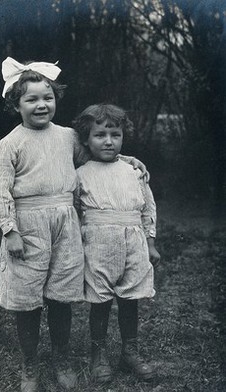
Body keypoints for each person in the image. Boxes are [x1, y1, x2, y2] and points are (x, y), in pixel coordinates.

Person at [0, 58, 148, 391]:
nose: (41, 105)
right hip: (28, 227)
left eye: (47, 97)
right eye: (31, 99)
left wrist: (127, 159)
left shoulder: (66, 137)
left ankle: (62, 360)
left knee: (61, 295)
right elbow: (0, 190)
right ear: (15, 104)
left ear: (55, 100)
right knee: (27, 299)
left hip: (66, 224)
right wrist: (10, 230)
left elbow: (98, 154)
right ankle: (30, 366)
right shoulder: (8, 145)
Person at [73, 103, 161, 384]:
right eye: (100, 135)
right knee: (100, 300)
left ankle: (129, 351)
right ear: (86, 138)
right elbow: (74, 211)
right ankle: (98, 355)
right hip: (98, 245)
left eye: (115, 134)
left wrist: (150, 241)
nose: (109, 141)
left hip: (133, 242)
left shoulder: (133, 171)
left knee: (130, 298)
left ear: (123, 136)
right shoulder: (81, 173)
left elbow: (148, 207)